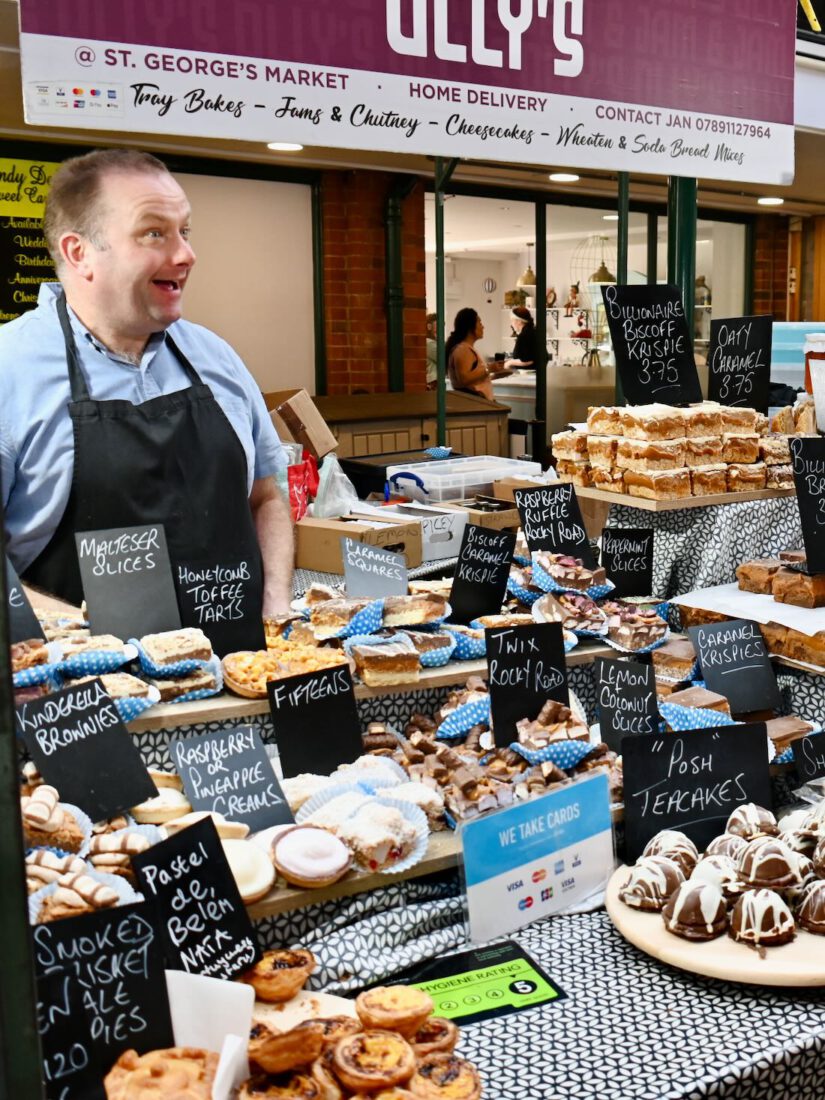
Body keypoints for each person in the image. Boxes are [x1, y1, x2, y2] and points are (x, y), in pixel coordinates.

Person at [0, 148, 294, 623]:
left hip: (238, 673)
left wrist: (275, 604)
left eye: (185, 231)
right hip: (86, 685)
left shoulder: (217, 358)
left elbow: (266, 496)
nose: (186, 254)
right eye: (154, 233)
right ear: (80, 253)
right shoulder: (9, 369)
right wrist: (86, 638)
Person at [445, 308, 508, 400]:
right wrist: (489, 369)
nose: (483, 327)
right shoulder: (463, 350)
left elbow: (474, 380)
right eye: (479, 322)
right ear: (470, 326)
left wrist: (494, 374)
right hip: (474, 403)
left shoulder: (466, 348)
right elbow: (464, 379)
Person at [504, 306, 548, 371]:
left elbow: (527, 360)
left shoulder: (524, 335)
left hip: (529, 375)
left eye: (512, 321)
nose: (511, 324)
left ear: (519, 321)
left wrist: (509, 363)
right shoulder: (533, 331)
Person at [425, 312, 438, 389]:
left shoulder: (434, 342)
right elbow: (443, 358)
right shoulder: (429, 343)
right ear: (429, 326)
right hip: (433, 382)